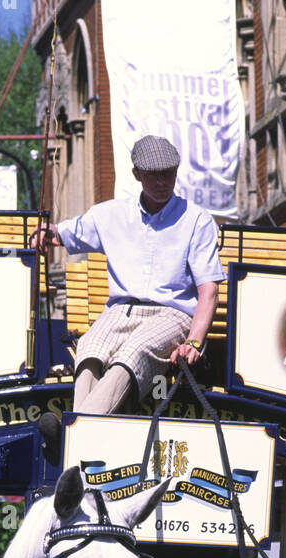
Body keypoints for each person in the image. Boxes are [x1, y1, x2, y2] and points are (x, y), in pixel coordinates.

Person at [31, 135, 224, 423]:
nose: (162, 182)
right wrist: (46, 233)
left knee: (135, 351)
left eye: (168, 174)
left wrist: (194, 343)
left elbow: (209, 291)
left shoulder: (196, 220)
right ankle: (81, 439)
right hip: (120, 311)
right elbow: (62, 233)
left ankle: (75, 432)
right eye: (153, 175)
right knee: (89, 348)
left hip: (172, 315)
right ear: (136, 174)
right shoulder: (110, 214)